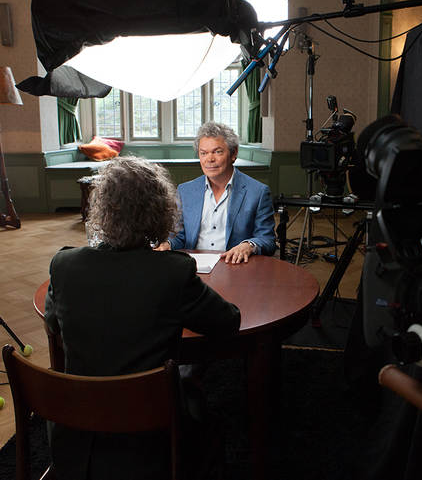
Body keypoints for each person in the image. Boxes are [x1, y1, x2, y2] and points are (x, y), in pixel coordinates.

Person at [44, 156, 241, 480]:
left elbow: (53, 322)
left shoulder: (64, 265)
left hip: (76, 432)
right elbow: (228, 323)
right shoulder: (173, 272)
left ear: (102, 210)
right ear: (159, 213)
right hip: (151, 437)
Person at [155, 121, 276, 263]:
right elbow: (179, 236)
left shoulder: (258, 192)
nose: (210, 159)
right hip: (193, 266)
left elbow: (267, 239)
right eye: (203, 153)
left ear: (234, 153)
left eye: (217, 152)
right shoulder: (185, 191)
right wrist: (168, 244)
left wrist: (249, 245)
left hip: (234, 265)